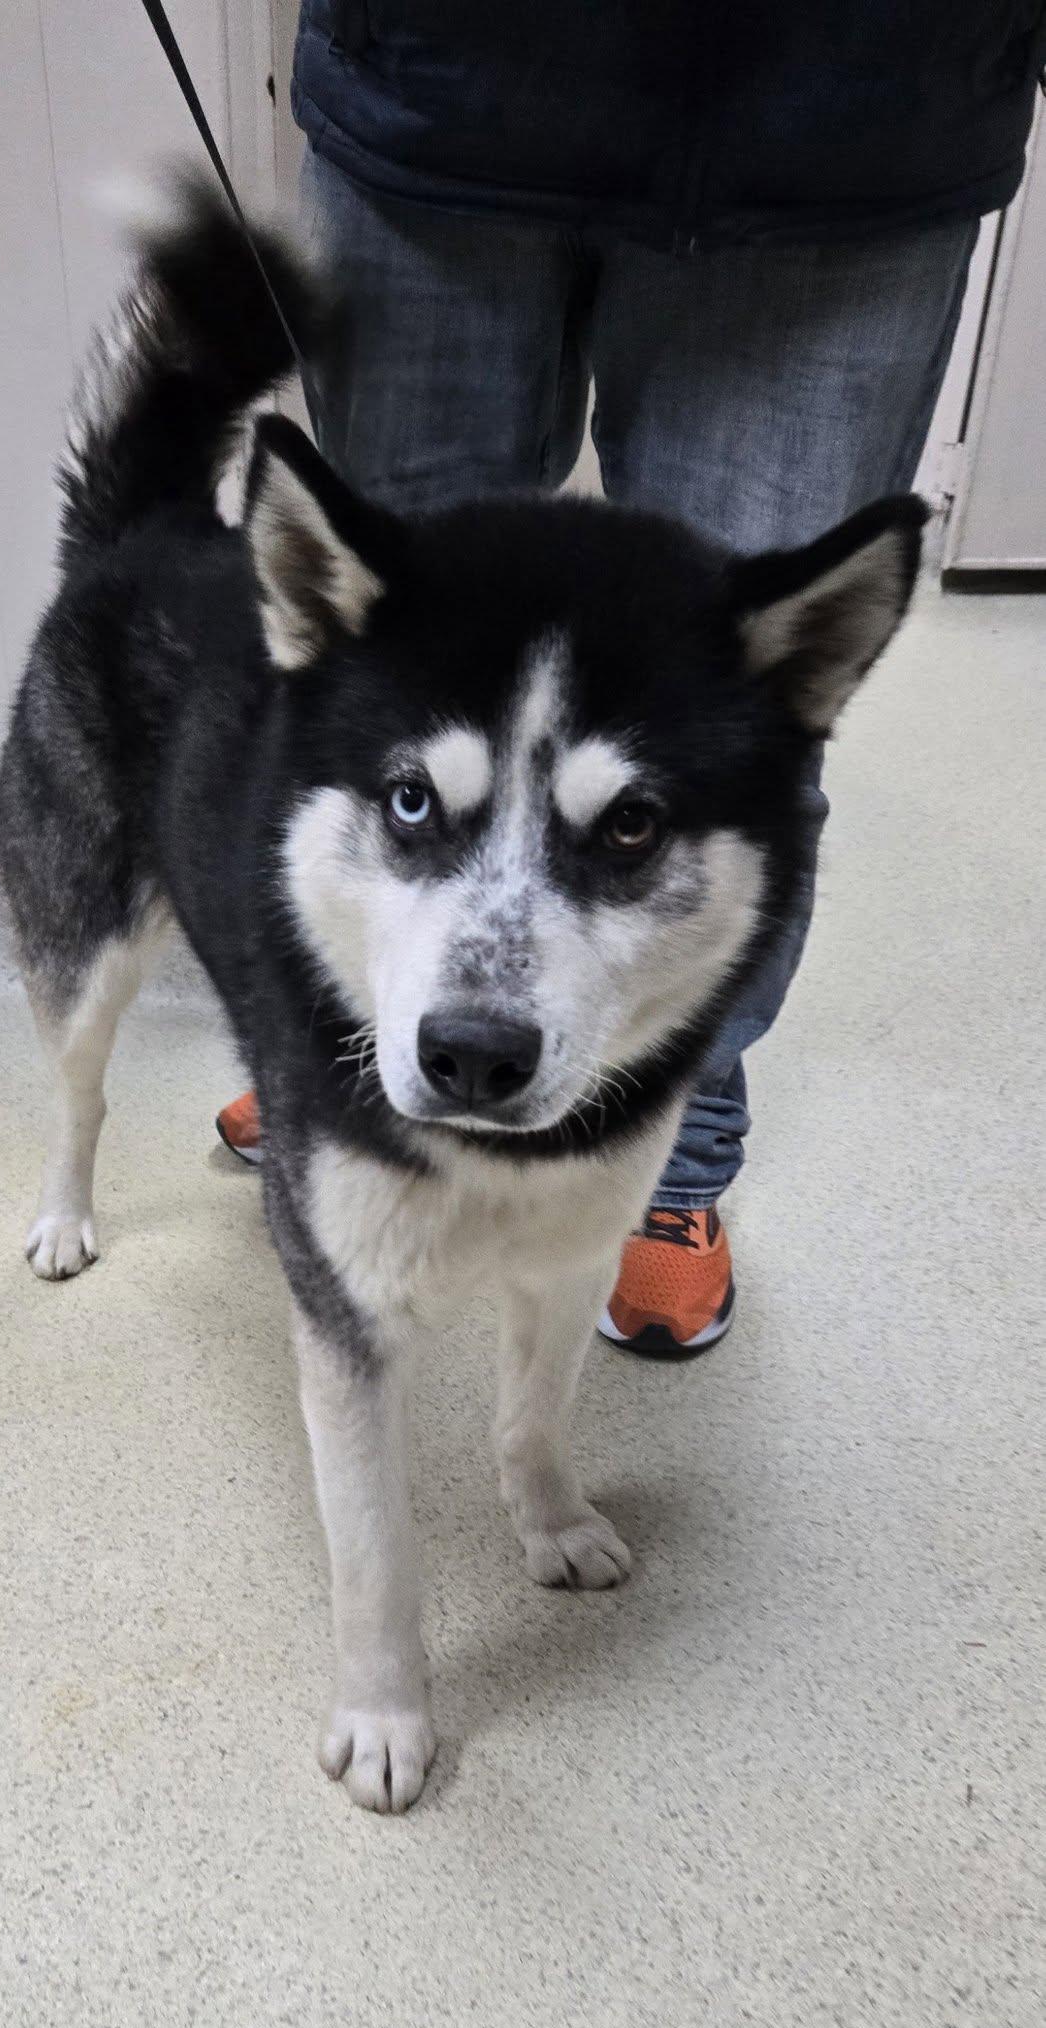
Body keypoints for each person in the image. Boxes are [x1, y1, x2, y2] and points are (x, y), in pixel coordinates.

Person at [217, 2, 1045, 1355]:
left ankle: (680, 1134)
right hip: (445, 90)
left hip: (855, 123)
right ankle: (353, 1050)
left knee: (737, 740)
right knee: (381, 714)